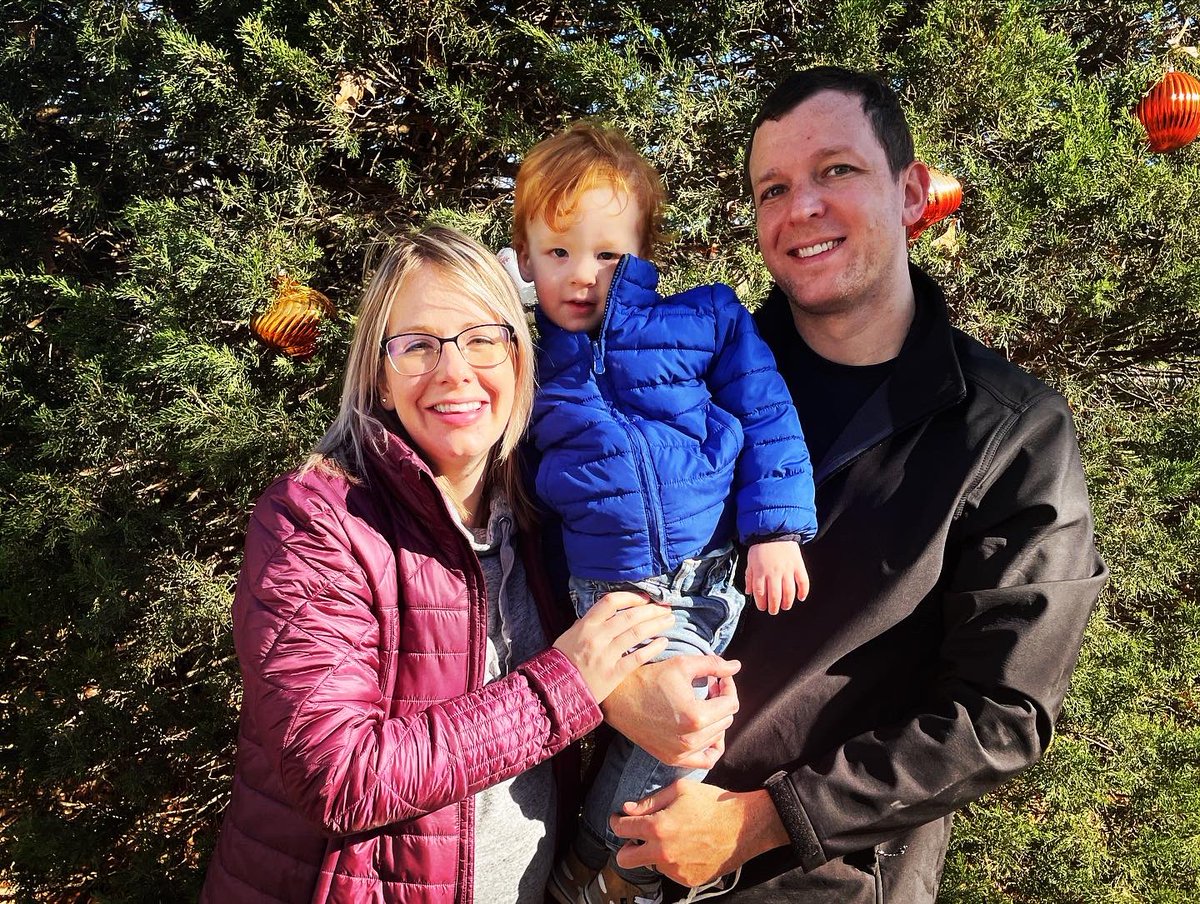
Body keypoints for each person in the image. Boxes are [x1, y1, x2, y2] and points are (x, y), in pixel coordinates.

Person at [600, 67, 1108, 902]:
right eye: (774, 188)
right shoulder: (682, 385)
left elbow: (1001, 715)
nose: (801, 207)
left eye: (836, 170)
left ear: (910, 193)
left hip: (817, 879)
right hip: (604, 850)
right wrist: (618, 688)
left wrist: (760, 820)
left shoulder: (1010, 433)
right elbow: (564, 563)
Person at [200, 226, 677, 904]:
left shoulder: (543, 518)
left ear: (519, 361)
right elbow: (338, 777)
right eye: (418, 345)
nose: (454, 371)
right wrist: (562, 687)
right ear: (381, 380)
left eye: (483, 339)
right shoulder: (316, 523)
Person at [509, 122, 818, 904]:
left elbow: (768, 414)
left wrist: (776, 528)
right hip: (612, 590)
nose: (583, 274)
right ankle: (618, 873)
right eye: (558, 252)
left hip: (710, 567)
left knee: (680, 723)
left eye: (608, 253)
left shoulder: (704, 318)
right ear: (525, 258)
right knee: (686, 719)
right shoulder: (525, 357)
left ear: (645, 250)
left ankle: (597, 863)